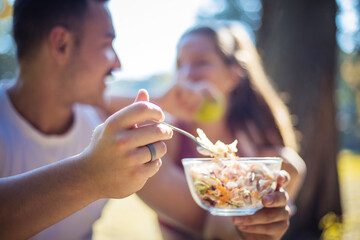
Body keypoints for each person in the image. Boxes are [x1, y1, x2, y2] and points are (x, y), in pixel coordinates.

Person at [0, 0, 173, 239]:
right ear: (61, 44)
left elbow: (181, 202)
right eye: (106, 44)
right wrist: (89, 177)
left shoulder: (103, 128)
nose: (118, 63)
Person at [135, 22, 307, 239]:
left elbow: (292, 170)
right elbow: (216, 230)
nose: (187, 75)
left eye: (201, 62)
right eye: (180, 65)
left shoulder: (254, 137)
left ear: (233, 76)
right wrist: (160, 102)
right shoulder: (164, 138)